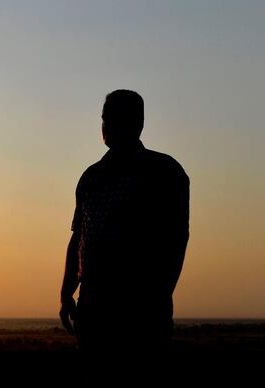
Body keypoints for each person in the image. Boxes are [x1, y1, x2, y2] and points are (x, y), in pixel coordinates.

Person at [59, 89, 189, 354]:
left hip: (143, 304)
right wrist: (66, 294)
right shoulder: (91, 178)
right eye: (105, 119)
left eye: (115, 119)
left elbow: (177, 238)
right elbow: (78, 238)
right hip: (93, 302)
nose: (107, 126)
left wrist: (160, 294)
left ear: (138, 123)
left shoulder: (164, 173)